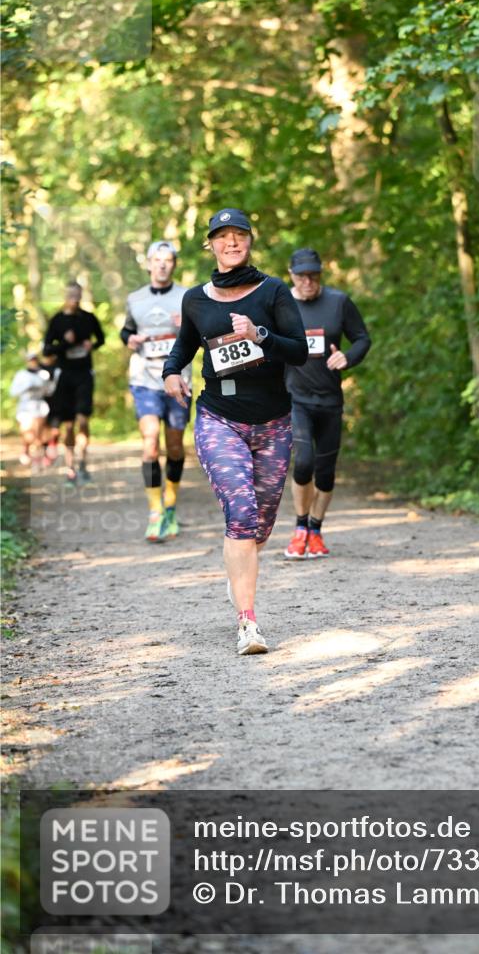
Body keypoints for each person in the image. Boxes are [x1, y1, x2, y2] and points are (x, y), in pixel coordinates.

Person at [163, 208, 308, 656]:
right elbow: (184, 346)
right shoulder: (196, 299)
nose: (231, 242)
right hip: (218, 417)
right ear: (210, 245)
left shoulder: (273, 291)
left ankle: (239, 574)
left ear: (249, 241)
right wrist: (172, 373)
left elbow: (300, 351)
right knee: (241, 515)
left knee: (260, 527)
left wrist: (260, 333)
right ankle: (248, 623)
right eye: (222, 236)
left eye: (238, 235)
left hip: (272, 422)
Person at [283, 248, 371, 559]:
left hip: (331, 400)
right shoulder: (282, 305)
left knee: (326, 473)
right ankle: (299, 528)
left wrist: (348, 357)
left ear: (320, 274)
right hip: (296, 399)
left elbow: (362, 338)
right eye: (302, 275)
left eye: (314, 275)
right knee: (303, 462)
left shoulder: (338, 302)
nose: (308, 281)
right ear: (291, 275)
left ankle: (316, 530)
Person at [121, 241, 192, 542]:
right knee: (150, 443)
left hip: (178, 380)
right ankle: (155, 512)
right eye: (157, 260)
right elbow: (125, 330)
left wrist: (186, 325)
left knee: (174, 446)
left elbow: (201, 332)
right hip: (144, 378)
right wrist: (130, 338)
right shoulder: (134, 299)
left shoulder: (187, 297)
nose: (162, 264)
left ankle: (171, 505)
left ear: (174, 264)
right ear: (148, 264)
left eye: (168, 260)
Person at [43, 281, 105, 485]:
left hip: (84, 374)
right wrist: (65, 343)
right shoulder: (57, 321)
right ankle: (70, 468)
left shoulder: (88, 318)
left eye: (78, 295)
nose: (75, 299)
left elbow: (101, 339)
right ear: (65, 296)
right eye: (71, 295)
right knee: (68, 426)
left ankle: (83, 464)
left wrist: (91, 345)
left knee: (83, 421)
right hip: (65, 376)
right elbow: (46, 351)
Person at [9, 350, 56, 466]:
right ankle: (26, 450)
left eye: (35, 359)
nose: (33, 362)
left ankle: (39, 458)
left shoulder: (43, 374)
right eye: (31, 359)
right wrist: (27, 387)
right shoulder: (21, 374)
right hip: (25, 406)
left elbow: (50, 391)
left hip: (39, 406)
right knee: (26, 431)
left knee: (39, 433)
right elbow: (13, 391)